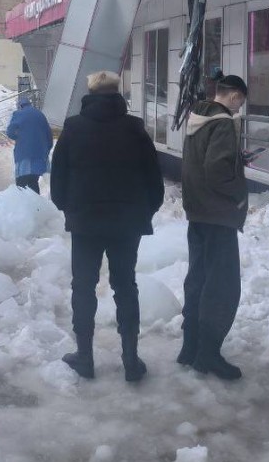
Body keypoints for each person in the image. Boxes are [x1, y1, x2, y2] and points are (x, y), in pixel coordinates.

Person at [50, 71, 164, 383]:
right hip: (127, 223)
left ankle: (85, 357)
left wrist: (68, 207)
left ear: (89, 93)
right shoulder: (134, 128)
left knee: (83, 286)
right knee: (125, 286)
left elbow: (57, 177)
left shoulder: (74, 127)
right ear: (117, 93)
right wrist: (146, 210)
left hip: (85, 223)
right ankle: (130, 359)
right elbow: (155, 178)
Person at [178, 71, 249, 381]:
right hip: (219, 215)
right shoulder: (223, 123)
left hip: (198, 212)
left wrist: (235, 161)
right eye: (240, 103)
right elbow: (216, 170)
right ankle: (208, 355)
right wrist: (239, 195)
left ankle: (190, 346)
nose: (239, 109)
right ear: (233, 96)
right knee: (221, 286)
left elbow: (203, 163)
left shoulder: (198, 116)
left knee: (199, 280)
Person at [6, 97, 53, 193]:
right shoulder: (40, 114)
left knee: (21, 185)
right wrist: (46, 150)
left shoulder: (18, 114)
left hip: (24, 155)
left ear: (20, 106)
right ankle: (36, 206)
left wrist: (19, 137)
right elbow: (49, 136)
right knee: (33, 184)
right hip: (39, 156)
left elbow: (10, 132)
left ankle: (24, 206)